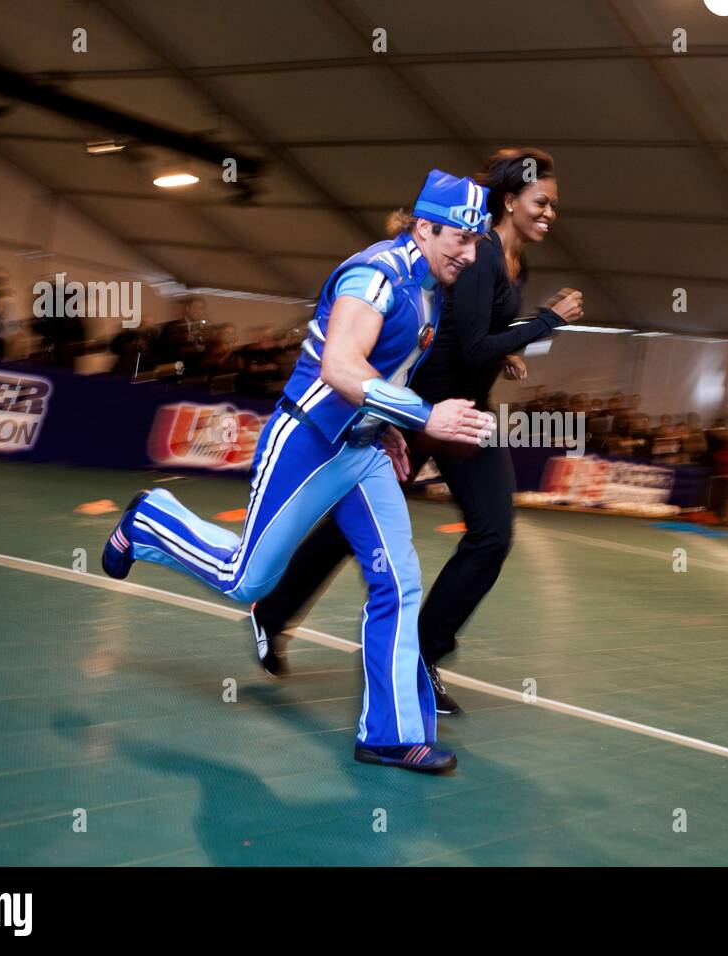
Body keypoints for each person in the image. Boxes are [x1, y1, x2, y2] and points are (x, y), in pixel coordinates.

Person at [101, 170, 496, 774]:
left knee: (398, 580)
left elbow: (375, 374)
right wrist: (421, 417)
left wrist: (387, 424)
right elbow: (340, 365)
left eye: (477, 241)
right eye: (461, 239)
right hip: (308, 441)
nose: (470, 254)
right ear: (424, 226)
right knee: (247, 581)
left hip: (360, 448)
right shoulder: (377, 275)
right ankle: (151, 518)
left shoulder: (429, 284)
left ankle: (390, 734)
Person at [249, 148, 583, 715]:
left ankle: (420, 658)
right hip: (423, 407)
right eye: (541, 202)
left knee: (491, 534)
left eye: (553, 206)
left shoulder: (512, 264)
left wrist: (513, 351)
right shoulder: (480, 259)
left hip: (465, 410)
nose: (551, 213)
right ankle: (272, 610)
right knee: (351, 528)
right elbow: (474, 340)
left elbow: (480, 335)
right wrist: (547, 320)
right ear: (510, 201)